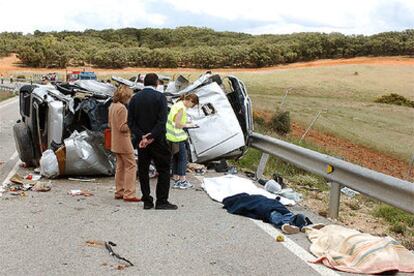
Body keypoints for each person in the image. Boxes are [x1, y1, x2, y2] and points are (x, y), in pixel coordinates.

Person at [128, 73, 177, 210]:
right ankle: (161, 200)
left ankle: (147, 200)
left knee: (143, 170)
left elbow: (130, 122)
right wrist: (151, 136)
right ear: (156, 83)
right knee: (164, 169)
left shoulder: (135, 98)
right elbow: (162, 121)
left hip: (141, 141)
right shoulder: (160, 97)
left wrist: (143, 137)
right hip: (158, 140)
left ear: (143, 83)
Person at [108, 85, 140, 202]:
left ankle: (119, 191)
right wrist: (133, 123)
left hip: (115, 140)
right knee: (131, 165)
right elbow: (123, 127)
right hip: (123, 140)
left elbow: (110, 124)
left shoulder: (112, 106)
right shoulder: (122, 108)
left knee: (120, 166)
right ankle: (129, 193)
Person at [166, 94, 199, 189]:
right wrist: (189, 125)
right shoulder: (182, 108)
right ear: (190, 100)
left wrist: (185, 123)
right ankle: (182, 180)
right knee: (182, 159)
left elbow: (173, 121)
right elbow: (177, 124)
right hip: (178, 137)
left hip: (171, 136)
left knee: (176, 158)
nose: (191, 107)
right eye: (192, 105)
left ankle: (176, 178)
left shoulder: (176, 105)